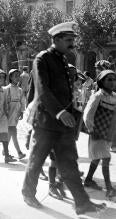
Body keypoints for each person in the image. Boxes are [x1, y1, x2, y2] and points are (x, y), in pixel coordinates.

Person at [21, 21, 106, 215]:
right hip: (46, 122)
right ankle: (28, 193)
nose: (72, 44)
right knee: (36, 159)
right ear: (56, 39)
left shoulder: (62, 59)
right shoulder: (42, 59)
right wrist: (60, 112)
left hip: (64, 123)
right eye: (68, 40)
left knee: (69, 162)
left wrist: (72, 112)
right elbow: (42, 90)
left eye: (72, 40)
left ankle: (82, 203)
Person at [83, 70, 116, 198]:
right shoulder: (98, 96)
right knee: (106, 158)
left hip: (108, 134)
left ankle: (88, 180)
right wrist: (91, 130)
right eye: (109, 79)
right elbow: (88, 114)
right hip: (97, 133)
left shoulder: (114, 97)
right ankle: (109, 188)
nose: (112, 82)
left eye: (114, 79)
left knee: (97, 158)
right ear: (102, 81)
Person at [4, 69, 26, 160]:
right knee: (13, 131)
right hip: (9, 111)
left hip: (16, 112)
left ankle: (5, 150)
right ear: (10, 77)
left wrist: (21, 111)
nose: (18, 77)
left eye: (18, 75)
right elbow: (3, 101)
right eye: (15, 76)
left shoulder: (20, 90)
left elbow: (22, 101)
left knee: (11, 132)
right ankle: (19, 152)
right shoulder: (6, 89)